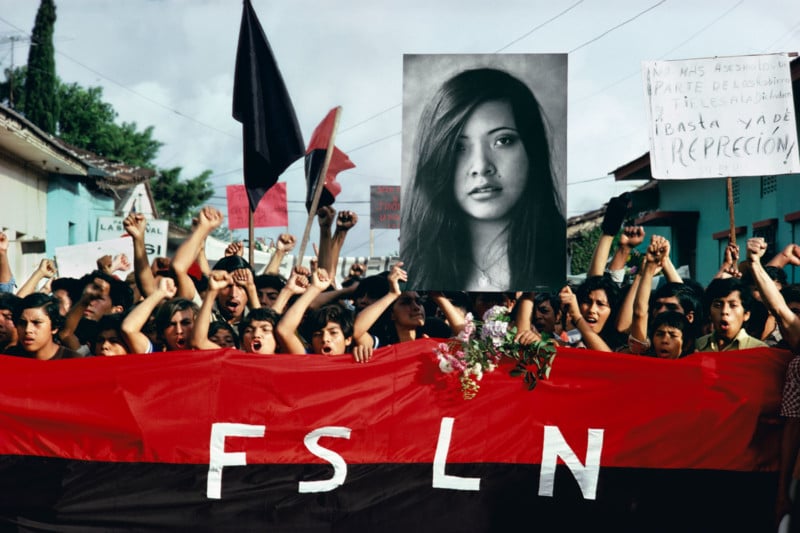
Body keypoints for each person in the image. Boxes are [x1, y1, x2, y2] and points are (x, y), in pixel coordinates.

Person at [401, 67, 564, 291]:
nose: (481, 167)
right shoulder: (407, 276)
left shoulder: (562, 260)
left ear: (532, 150)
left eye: (503, 140)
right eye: (459, 146)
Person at [4, 293, 82, 360]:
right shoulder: (9, 357)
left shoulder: (73, 361)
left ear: (54, 327)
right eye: (22, 323)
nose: (28, 330)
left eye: (36, 323)